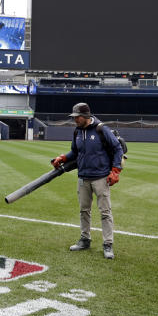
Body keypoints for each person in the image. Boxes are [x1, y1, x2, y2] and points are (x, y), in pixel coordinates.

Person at [51, 103, 124, 259]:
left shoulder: (101, 129)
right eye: (74, 117)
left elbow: (117, 148)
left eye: (77, 117)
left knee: (105, 212)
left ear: (86, 116)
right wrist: (63, 157)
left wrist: (116, 170)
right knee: (84, 211)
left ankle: (108, 244)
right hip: (83, 177)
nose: (75, 120)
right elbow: (75, 152)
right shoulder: (77, 131)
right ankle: (85, 239)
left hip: (101, 177)